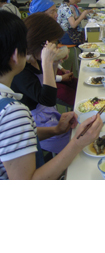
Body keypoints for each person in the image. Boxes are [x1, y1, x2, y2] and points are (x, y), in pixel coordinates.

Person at [0, 11, 102, 180]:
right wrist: (77, 142)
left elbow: (19, 135)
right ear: (15, 55)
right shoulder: (13, 112)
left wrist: (55, 129)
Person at [11, 13, 72, 155]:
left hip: (47, 114)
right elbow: (48, 99)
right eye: (53, 42)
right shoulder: (21, 70)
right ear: (42, 43)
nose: (55, 46)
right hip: (35, 124)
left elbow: (48, 82)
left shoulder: (36, 57)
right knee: (73, 144)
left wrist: (55, 62)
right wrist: (47, 61)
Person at [29, 0, 78, 107]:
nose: (56, 15)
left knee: (78, 83)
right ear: (40, 14)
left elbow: (49, 61)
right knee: (74, 96)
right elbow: (42, 73)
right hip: (48, 82)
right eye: (52, 12)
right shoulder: (34, 40)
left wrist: (59, 65)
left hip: (52, 73)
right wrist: (61, 78)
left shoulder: (46, 32)